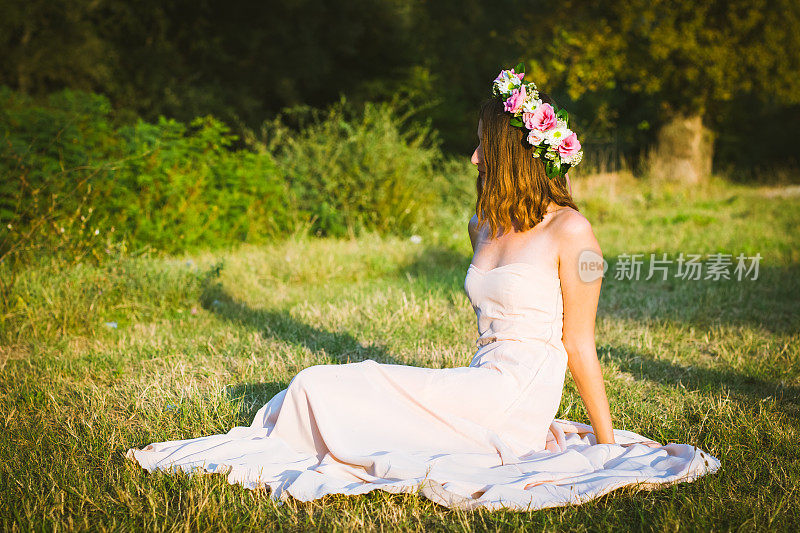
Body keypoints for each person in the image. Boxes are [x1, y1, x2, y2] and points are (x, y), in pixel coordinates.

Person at [127, 68, 720, 512]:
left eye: (484, 146)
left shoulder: (574, 231)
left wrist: (608, 442)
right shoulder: (481, 225)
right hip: (479, 380)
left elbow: (581, 344)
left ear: (512, 154)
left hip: (514, 398)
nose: (472, 156)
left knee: (320, 383)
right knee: (322, 386)